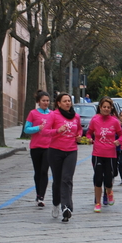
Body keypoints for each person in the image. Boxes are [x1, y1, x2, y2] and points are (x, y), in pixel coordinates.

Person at [45, 93, 83, 222]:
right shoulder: (53, 115)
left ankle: (67, 208)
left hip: (71, 150)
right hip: (55, 151)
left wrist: (79, 136)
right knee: (57, 180)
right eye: (65, 101)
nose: (68, 103)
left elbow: (79, 130)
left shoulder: (76, 117)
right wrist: (57, 130)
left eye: (69, 101)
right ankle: (56, 203)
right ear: (59, 103)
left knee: (67, 179)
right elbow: (44, 131)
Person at [87, 97, 122, 213]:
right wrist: (89, 139)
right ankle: (97, 203)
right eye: (104, 107)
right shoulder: (95, 120)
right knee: (98, 179)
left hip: (111, 154)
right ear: (100, 108)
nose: (106, 109)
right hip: (97, 153)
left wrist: (119, 141)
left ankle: (109, 192)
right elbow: (89, 133)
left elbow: (121, 135)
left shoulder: (115, 121)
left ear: (111, 108)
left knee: (108, 179)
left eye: (108, 107)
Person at [23, 90, 52, 207]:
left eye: (47, 101)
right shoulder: (33, 113)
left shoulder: (52, 114)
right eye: (43, 101)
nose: (46, 103)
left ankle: (41, 197)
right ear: (38, 102)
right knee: (38, 172)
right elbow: (26, 129)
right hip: (35, 146)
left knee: (44, 171)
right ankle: (38, 193)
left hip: (48, 147)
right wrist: (38, 128)